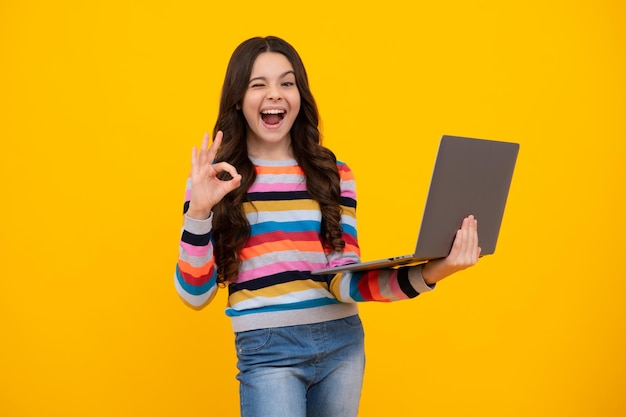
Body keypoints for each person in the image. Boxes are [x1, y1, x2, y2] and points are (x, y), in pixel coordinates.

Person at [175, 36, 481, 417]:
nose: (275, 94)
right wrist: (199, 211)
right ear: (238, 98)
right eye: (259, 85)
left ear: (300, 94)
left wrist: (437, 269)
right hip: (268, 349)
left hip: (343, 344)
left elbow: (344, 281)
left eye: (287, 83)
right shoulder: (216, 179)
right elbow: (195, 295)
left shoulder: (333, 175)